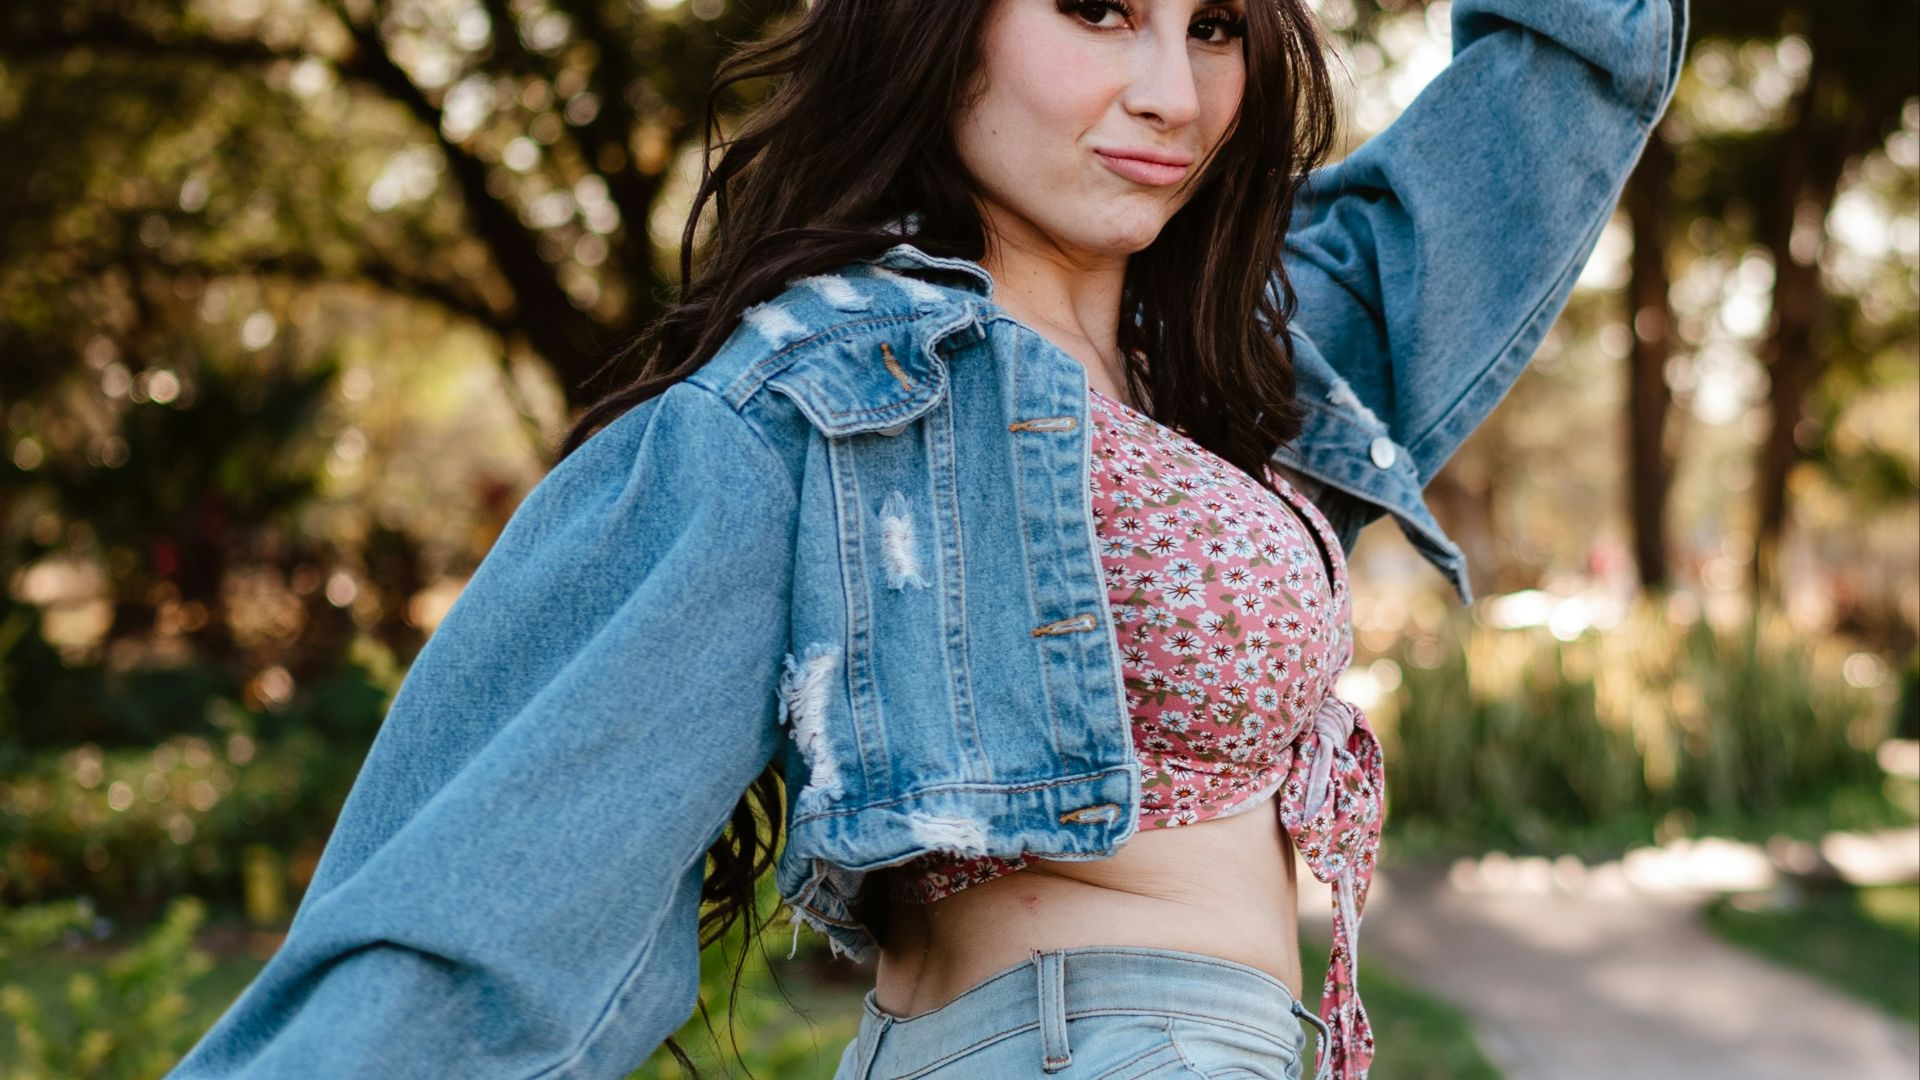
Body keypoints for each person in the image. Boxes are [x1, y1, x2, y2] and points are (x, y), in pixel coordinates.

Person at [166, 1, 1685, 1078]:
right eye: (1099, 11)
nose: (1173, 88)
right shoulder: (820, 402)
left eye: (1215, 22)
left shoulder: (1236, 369)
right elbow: (481, 911)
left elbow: (1547, 105)